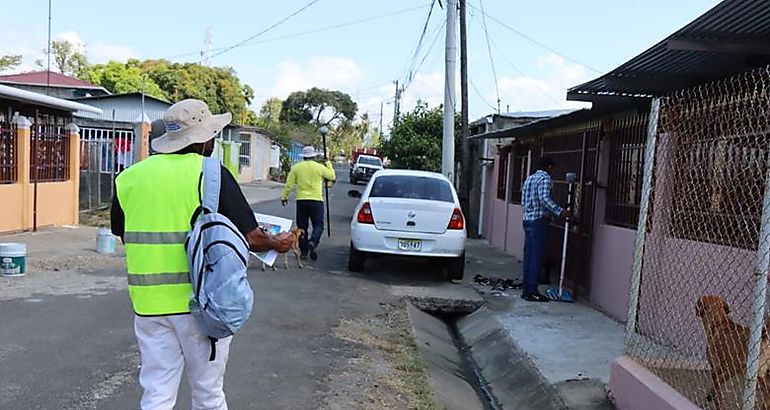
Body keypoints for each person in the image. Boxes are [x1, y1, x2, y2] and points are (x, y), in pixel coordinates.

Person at [110, 99, 293, 410]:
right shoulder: (212, 173)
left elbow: (121, 231)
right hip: (202, 306)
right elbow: (252, 238)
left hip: (148, 306)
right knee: (208, 395)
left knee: (156, 394)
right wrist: (279, 243)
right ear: (205, 138)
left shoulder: (130, 177)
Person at [521, 156, 569, 302]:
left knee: (529, 256)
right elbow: (544, 199)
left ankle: (526, 290)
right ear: (549, 167)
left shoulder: (529, 179)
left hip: (527, 220)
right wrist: (560, 211)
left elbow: (523, 200)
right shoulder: (545, 178)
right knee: (536, 257)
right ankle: (533, 291)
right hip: (538, 221)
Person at [281, 146, 336, 261]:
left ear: (304, 156)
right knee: (318, 225)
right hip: (316, 200)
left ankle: (304, 252)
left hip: (301, 200)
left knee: (302, 227)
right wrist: (328, 163)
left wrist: (284, 197)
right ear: (314, 156)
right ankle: (313, 241)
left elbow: (289, 184)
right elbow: (332, 176)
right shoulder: (319, 167)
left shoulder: (296, 167)